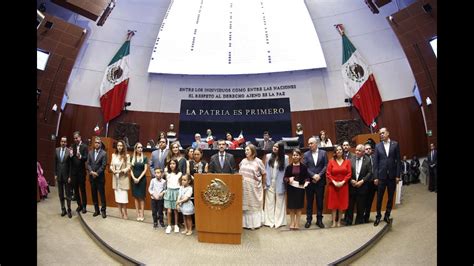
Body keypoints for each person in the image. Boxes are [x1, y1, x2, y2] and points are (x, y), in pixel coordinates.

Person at [373, 127, 401, 226]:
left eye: (383, 133)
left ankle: (387, 215)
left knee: (390, 197)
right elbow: (375, 163)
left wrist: (398, 175)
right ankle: (378, 216)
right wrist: (375, 177)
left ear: (388, 133)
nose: (381, 135)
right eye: (380, 133)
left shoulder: (395, 144)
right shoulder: (377, 146)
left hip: (392, 177)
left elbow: (398, 161)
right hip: (381, 177)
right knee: (379, 198)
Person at [303, 136, 328, 228]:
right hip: (310, 182)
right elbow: (305, 167)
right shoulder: (306, 154)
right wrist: (313, 175)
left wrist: (319, 175)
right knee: (309, 202)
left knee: (320, 202)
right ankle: (309, 220)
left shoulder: (323, 153)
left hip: (320, 182)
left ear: (316, 143)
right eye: (308, 144)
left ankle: (319, 220)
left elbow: (326, 165)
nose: (309, 145)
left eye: (311, 143)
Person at [240, 144, 266, 230]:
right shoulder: (243, 161)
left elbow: (264, 173)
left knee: (253, 206)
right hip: (243, 187)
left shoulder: (258, 161)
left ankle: (253, 224)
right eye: (245, 150)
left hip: (254, 187)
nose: (245, 152)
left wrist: (263, 184)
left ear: (253, 151)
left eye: (247, 150)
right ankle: (245, 224)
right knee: (245, 205)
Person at [263, 142, 289, 228]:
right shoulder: (268, 156)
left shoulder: (285, 158)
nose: (274, 148)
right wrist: (265, 182)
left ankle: (279, 222)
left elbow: (286, 172)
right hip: (270, 182)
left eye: (277, 147)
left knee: (280, 203)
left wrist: (284, 183)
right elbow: (266, 170)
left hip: (280, 183)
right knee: (269, 202)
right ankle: (269, 221)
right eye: (274, 146)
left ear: (281, 149)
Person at [346, 144, 372, 225]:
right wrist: (350, 180)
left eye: (359, 151)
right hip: (352, 186)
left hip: (362, 186)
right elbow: (347, 172)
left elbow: (370, 172)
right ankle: (349, 221)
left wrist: (362, 181)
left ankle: (359, 221)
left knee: (361, 206)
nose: (357, 152)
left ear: (363, 152)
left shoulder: (367, 160)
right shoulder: (350, 160)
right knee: (350, 206)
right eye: (356, 150)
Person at [284, 148, 310, 230]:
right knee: (291, 207)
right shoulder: (288, 167)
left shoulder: (304, 167)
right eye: (294, 155)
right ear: (292, 156)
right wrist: (288, 179)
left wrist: (306, 182)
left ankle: (297, 223)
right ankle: (292, 222)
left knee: (298, 207)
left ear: (300, 156)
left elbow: (307, 178)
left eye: (297, 155)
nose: (295, 156)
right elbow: (284, 178)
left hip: (300, 189)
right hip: (291, 189)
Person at [326, 145, 351, 227]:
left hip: (343, 186)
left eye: (340, 149)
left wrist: (343, 182)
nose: (339, 151)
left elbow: (349, 174)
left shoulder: (347, 162)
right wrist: (334, 182)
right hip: (333, 186)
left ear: (342, 151)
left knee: (341, 205)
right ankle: (333, 222)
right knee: (334, 205)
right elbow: (328, 173)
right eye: (337, 150)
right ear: (335, 152)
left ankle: (339, 221)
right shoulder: (331, 161)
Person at [86, 137, 108, 218]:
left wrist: (97, 173)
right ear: (94, 143)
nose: (97, 144)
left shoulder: (104, 153)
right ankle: (96, 210)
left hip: (100, 178)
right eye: (95, 142)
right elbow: (88, 163)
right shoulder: (90, 153)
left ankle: (103, 211)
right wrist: (91, 171)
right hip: (92, 177)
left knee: (102, 195)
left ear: (100, 144)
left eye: (98, 143)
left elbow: (103, 165)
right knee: (94, 194)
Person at [110, 140, 131, 219]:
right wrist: (113, 170)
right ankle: (120, 212)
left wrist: (122, 171)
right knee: (118, 197)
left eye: (121, 146)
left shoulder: (127, 156)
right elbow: (111, 166)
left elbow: (128, 167)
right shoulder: (113, 155)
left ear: (123, 147)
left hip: (123, 178)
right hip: (116, 179)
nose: (119, 147)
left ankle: (125, 212)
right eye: (118, 145)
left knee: (124, 198)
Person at [70, 131, 89, 214]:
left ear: (80, 137)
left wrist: (80, 156)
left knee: (82, 190)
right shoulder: (72, 146)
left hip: (81, 173)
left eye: (76, 138)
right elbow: (71, 160)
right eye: (74, 138)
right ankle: (79, 205)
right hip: (74, 173)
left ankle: (84, 206)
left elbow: (86, 158)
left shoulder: (84, 147)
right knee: (76, 190)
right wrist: (70, 156)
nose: (75, 139)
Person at [130, 142, 148, 221]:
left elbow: (145, 169)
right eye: (139, 147)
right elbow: (130, 169)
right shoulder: (132, 158)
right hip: (134, 179)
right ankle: (137, 214)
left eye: (141, 147)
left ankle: (142, 214)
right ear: (136, 149)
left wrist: (139, 178)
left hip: (142, 180)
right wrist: (134, 178)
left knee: (141, 198)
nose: (140, 149)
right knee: (136, 197)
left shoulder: (144, 157)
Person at [54, 136, 72, 218]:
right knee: (60, 194)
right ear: (60, 142)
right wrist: (55, 174)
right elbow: (55, 163)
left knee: (68, 194)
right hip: (59, 176)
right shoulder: (56, 150)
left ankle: (69, 210)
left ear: (66, 143)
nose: (63, 143)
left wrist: (69, 176)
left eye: (65, 142)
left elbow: (71, 165)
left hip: (66, 176)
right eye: (62, 141)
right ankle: (63, 209)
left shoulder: (69, 151)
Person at [164, 159, 182, 234]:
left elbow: (180, 184)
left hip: (176, 192)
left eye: (174, 163)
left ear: (176, 164)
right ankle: (169, 225)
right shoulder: (167, 173)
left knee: (175, 210)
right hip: (169, 191)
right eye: (170, 163)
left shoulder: (179, 173)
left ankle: (176, 225)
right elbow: (165, 169)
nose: (172, 165)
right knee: (169, 210)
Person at [363, 143, 377, 223]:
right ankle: (362, 216)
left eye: (369, 149)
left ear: (371, 150)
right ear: (364, 150)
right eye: (366, 149)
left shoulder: (375, 157)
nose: (368, 150)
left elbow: (376, 168)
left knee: (370, 201)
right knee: (364, 200)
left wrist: (376, 178)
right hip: (365, 183)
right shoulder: (362, 158)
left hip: (373, 182)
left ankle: (367, 216)